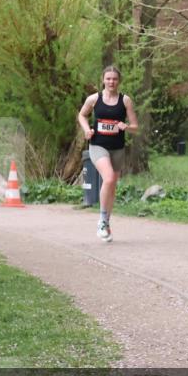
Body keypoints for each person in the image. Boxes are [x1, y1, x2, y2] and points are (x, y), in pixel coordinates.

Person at [77, 66, 138, 243]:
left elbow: (135, 126)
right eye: (108, 78)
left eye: (115, 79)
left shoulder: (125, 100)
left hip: (117, 148)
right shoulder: (94, 99)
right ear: (103, 80)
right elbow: (81, 115)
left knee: (111, 186)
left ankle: (107, 223)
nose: (111, 82)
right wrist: (87, 129)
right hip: (98, 146)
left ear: (119, 81)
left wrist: (127, 127)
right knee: (109, 178)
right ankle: (102, 220)